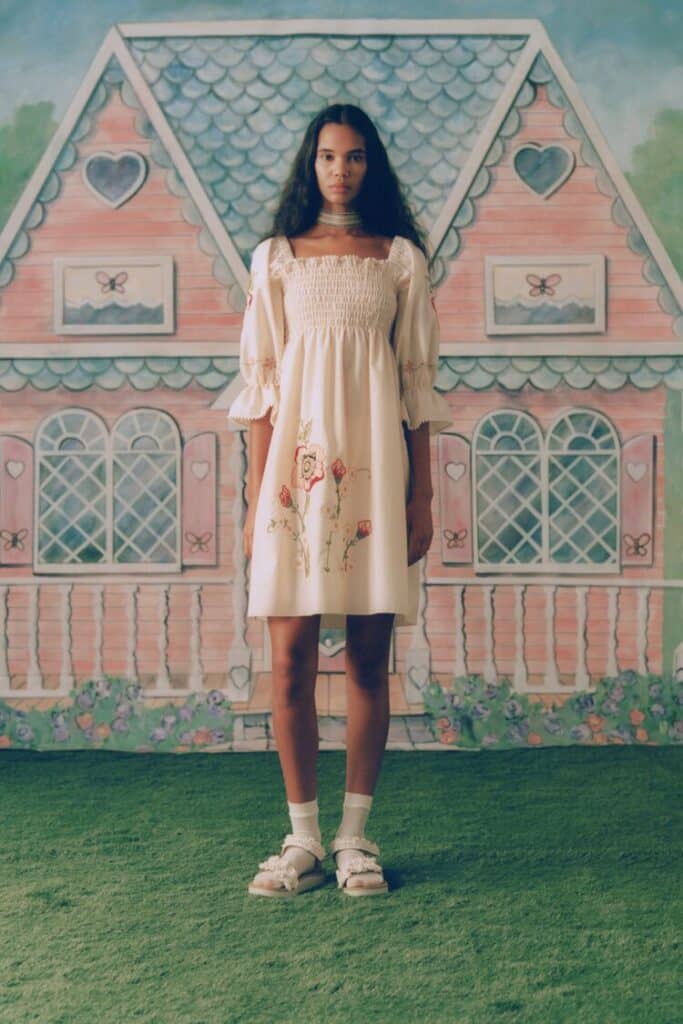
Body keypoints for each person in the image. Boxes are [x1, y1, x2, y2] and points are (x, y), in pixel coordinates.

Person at [227, 103, 453, 897]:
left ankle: (356, 839)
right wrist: (260, 503)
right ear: (309, 163)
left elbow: (416, 390)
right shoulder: (275, 261)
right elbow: (259, 394)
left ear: (371, 166)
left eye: (354, 157)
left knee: (366, 662)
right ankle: (302, 841)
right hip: (294, 487)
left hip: (373, 485)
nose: (339, 170)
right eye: (327, 156)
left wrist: (421, 495)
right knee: (286, 662)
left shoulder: (400, 262)